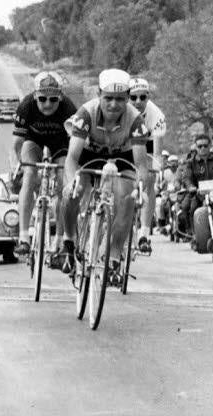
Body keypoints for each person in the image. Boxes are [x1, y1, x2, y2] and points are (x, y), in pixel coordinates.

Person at [61, 68, 150, 279]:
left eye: (120, 99)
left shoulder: (135, 120)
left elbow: (141, 165)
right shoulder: (85, 114)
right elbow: (72, 158)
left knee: (128, 198)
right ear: (99, 94)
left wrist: (140, 188)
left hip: (123, 157)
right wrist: (72, 181)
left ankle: (114, 257)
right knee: (73, 192)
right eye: (108, 98)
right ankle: (68, 239)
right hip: (88, 154)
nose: (113, 104)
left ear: (128, 98)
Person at [12, 71, 78, 265]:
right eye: (42, 99)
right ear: (34, 96)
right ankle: (24, 237)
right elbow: (17, 143)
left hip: (61, 143)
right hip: (34, 140)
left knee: (62, 183)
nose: (47, 104)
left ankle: (58, 239)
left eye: (52, 99)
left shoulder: (68, 108)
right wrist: (22, 167)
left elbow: (74, 147)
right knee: (30, 174)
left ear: (60, 97)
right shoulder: (26, 106)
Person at [128, 77, 166, 254]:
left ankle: (144, 233)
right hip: (126, 143)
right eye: (133, 97)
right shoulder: (122, 111)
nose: (138, 102)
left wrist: (157, 170)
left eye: (142, 97)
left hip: (147, 144)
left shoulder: (156, 115)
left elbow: (157, 153)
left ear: (148, 97)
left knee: (149, 178)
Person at [155, 154, 180, 234]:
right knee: (162, 204)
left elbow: (181, 182)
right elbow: (159, 184)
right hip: (167, 193)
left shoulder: (180, 172)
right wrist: (161, 186)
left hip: (178, 193)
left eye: (175, 163)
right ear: (168, 164)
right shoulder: (164, 173)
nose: (173, 165)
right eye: (171, 163)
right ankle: (161, 224)